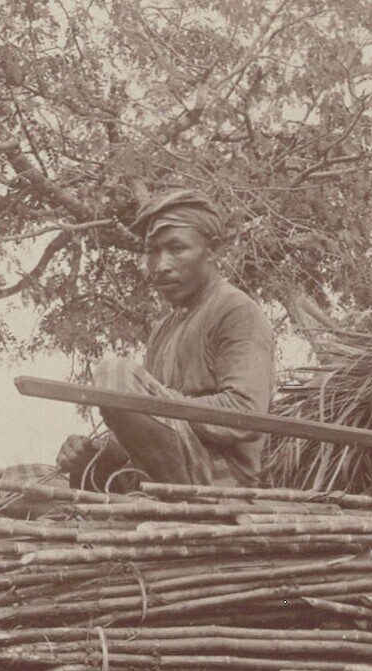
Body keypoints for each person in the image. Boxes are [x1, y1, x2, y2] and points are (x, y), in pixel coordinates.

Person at [68, 187, 278, 488]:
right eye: (152, 251)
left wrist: (158, 402)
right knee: (23, 480)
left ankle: (165, 496)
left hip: (219, 479)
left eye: (176, 248)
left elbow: (246, 413)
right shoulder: (163, 330)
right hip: (156, 471)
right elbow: (150, 431)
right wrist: (91, 450)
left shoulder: (236, 311)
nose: (161, 265)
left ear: (212, 250)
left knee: (114, 374)